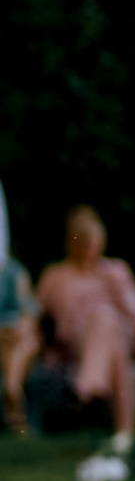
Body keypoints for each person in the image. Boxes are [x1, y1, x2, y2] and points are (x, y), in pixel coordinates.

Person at [35, 206, 135, 448]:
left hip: (120, 333)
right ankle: (125, 434)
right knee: (111, 337)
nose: (85, 248)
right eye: (79, 241)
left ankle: (86, 387)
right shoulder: (55, 276)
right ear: (69, 242)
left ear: (101, 241)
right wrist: (42, 347)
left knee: (105, 319)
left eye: (90, 241)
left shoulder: (115, 271)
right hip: (74, 344)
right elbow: (36, 317)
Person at [0, 182, 32, 435]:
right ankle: (14, 406)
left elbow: (28, 307)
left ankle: (12, 390)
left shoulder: (13, 271)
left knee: (23, 337)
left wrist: (21, 324)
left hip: (13, 336)